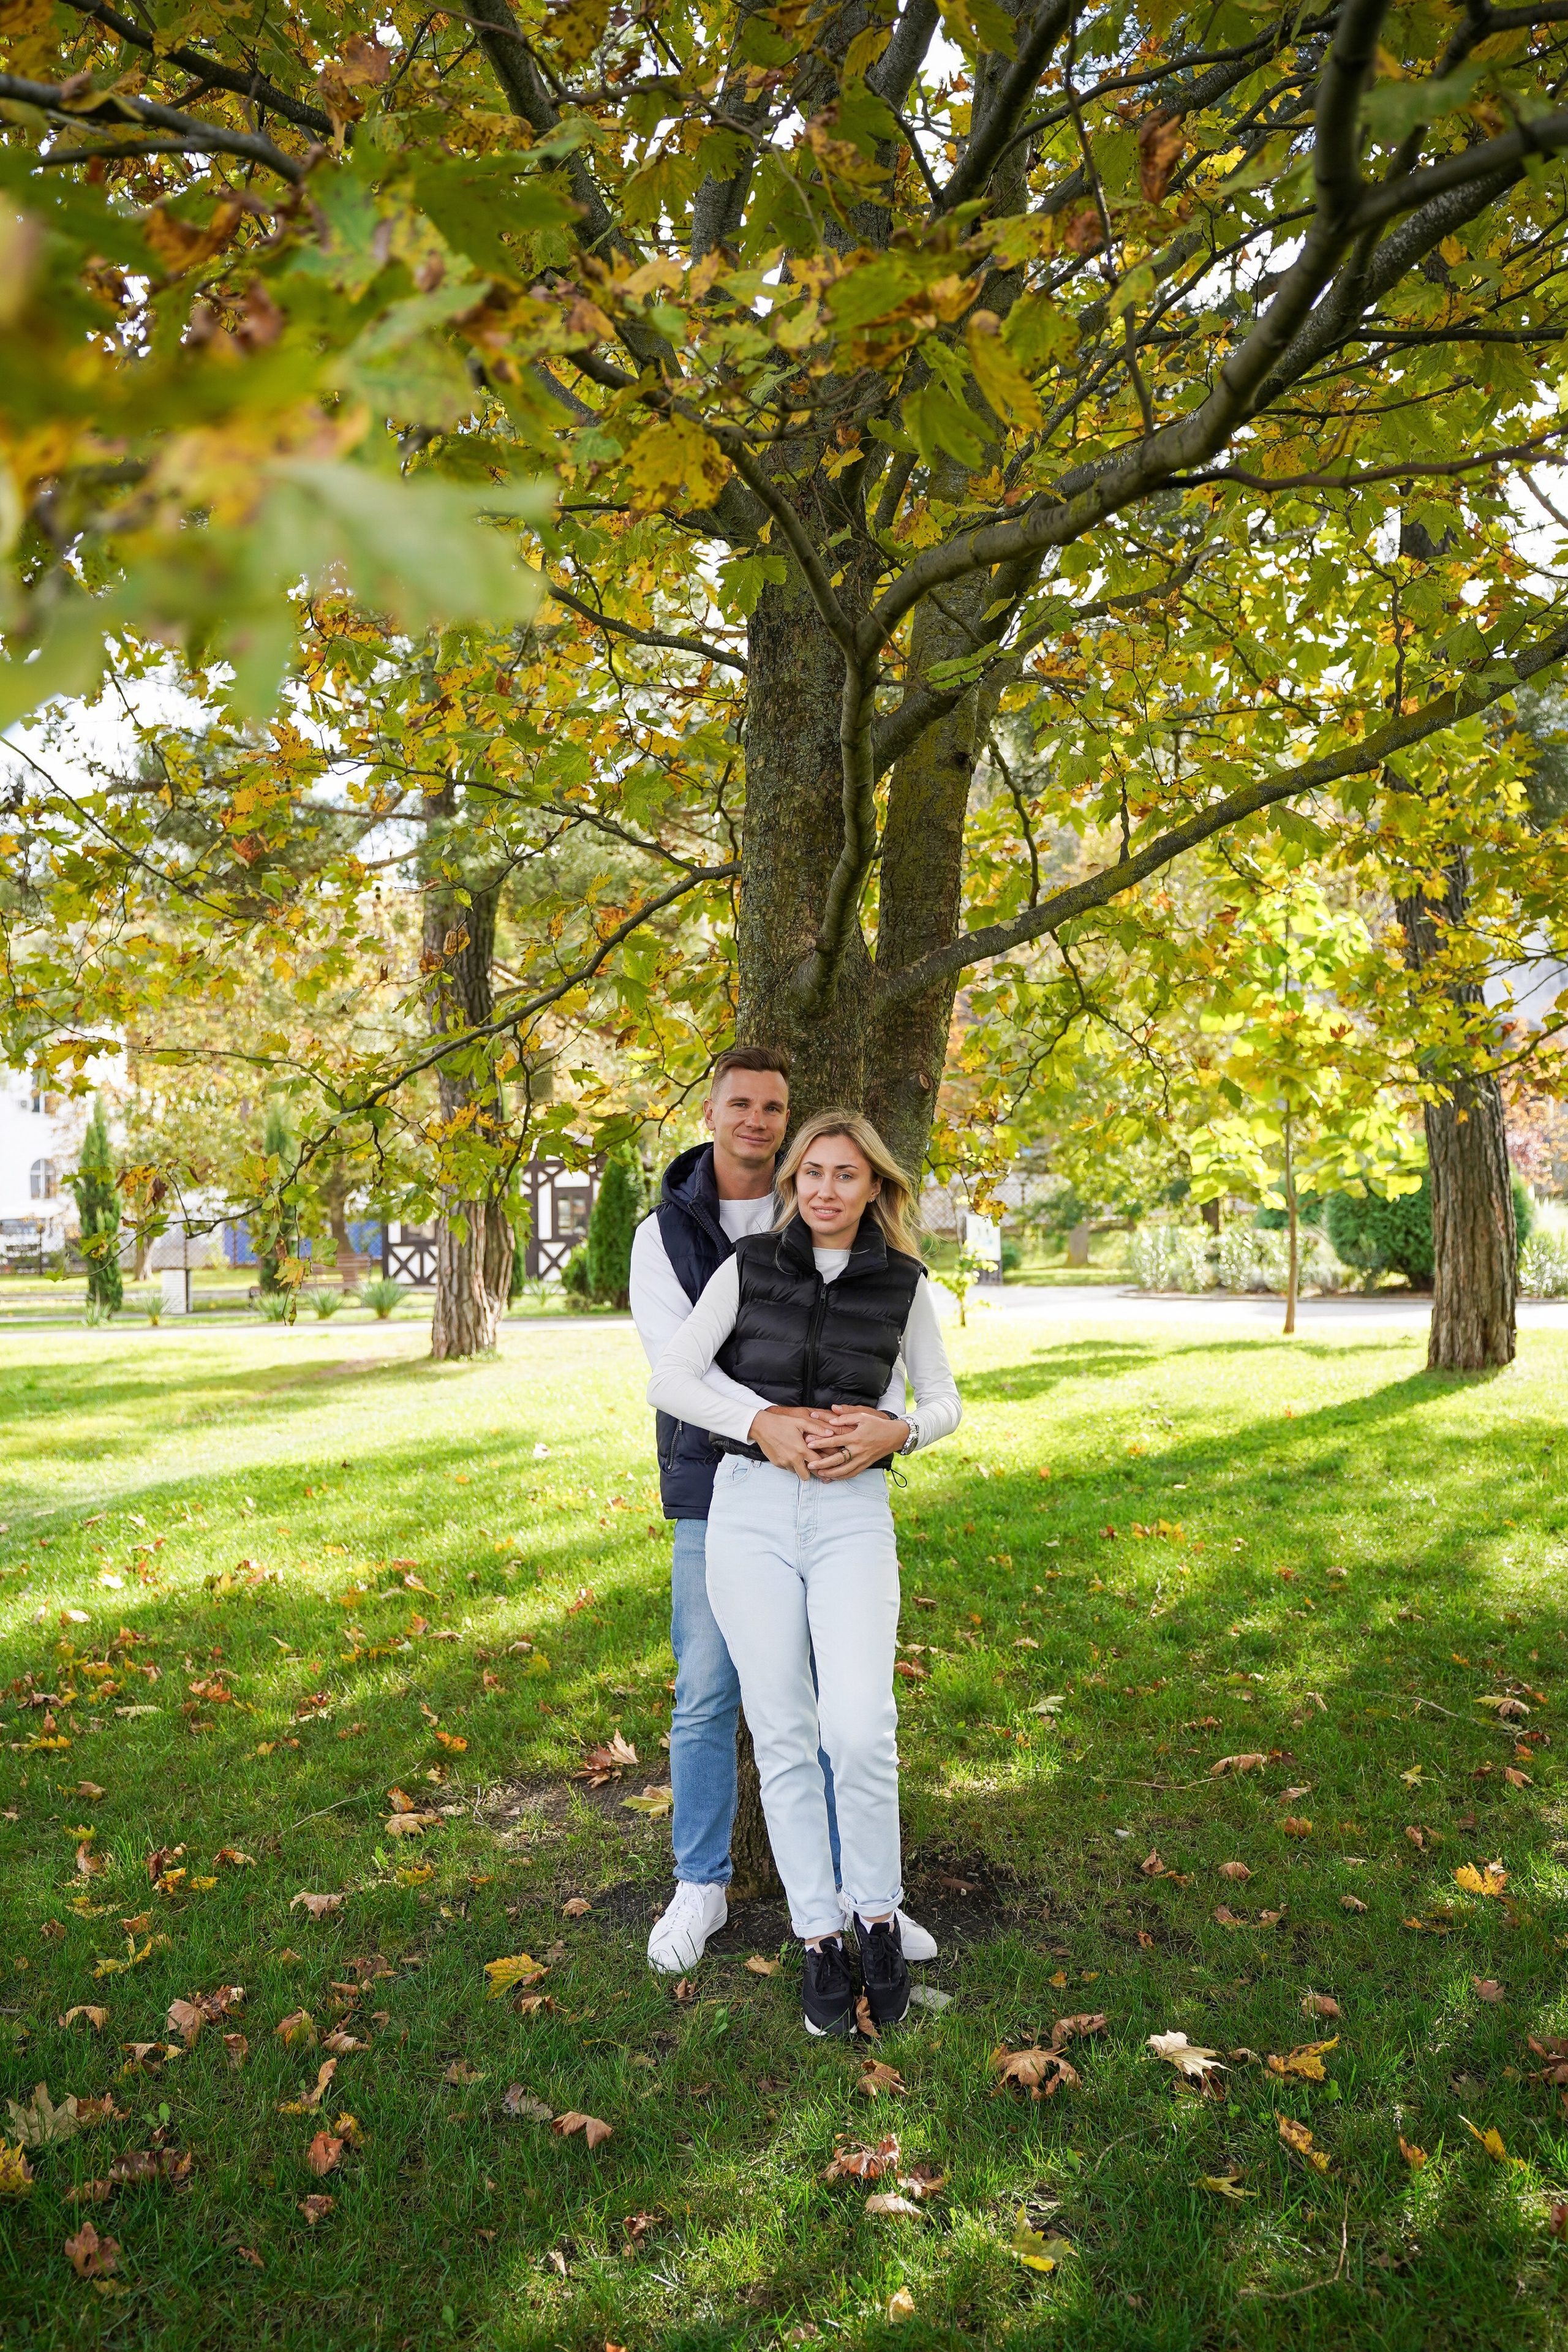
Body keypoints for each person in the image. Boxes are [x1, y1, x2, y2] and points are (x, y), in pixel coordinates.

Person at [647, 1109, 960, 2037]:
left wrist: (899, 1431)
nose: (827, 1189)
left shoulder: (904, 1283)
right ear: (793, 1184)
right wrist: (759, 1423)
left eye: (847, 1175)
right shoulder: (747, 1268)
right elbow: (671, 1377)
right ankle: (819, 1934)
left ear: (875, 1189)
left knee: (859, 1727)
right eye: (813, 1172)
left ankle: (877, 1916)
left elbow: (944, 1400)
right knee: (783, 1730)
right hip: (748, 1509)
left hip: (851, 1515)